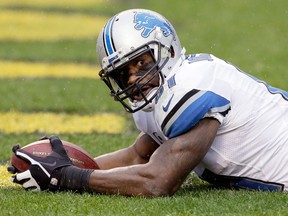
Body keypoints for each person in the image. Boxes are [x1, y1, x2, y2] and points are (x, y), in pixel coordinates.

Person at [9, 8, 288, 196]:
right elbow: (137, 156)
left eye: (141, 64)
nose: (132, 80)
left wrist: (68, 177)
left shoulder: (192, 85)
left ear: (167, 51)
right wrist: (57, 165)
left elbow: (158, 180)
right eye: (122, 73)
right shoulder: (162, 96)